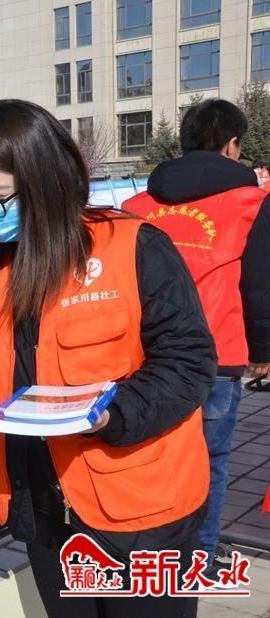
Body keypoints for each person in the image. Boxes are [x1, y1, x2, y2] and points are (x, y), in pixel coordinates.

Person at [0, 100, 215, 618]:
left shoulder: (132, 248)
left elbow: (188, 362)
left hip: (141, 510)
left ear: (47, 184)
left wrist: (109, 412)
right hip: (46, 513)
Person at [123, 98, 270, 570]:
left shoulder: (135, 207)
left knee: (152, 456)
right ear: (231, 145)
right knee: (211, 460)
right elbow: (260, 284)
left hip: (145, 357)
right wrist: (264, 349)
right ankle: (197, 558)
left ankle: (152, 552)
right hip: (218, 355)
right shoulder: (252, 203)